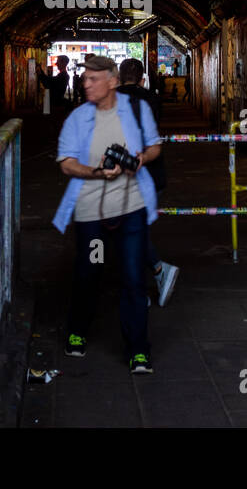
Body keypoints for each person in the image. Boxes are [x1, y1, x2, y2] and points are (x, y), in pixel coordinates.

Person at [53, 54, 162, 374]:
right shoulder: (76, 119)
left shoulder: (138, 111)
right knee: (88, 273)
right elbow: (66, 163)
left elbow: (156, 146)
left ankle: (138, 350)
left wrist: (140, 159)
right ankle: (76, 331)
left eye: (92, 79)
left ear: (112, 81)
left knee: (133, 279)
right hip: (90, 212)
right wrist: (97, 172)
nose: (85, 84)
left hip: (131, 209)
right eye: (84, 78)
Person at [117, 59, 178, 308]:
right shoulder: (152, 99)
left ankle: (156, 271)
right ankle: (149, 277)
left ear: (120, 77)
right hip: (153, 173)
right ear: (142, 78)